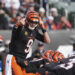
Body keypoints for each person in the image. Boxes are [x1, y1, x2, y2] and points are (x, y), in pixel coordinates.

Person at [5, 10, 50, 75]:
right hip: (14, 57)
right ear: (27, 20)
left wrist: (43, 28)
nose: (33, 24)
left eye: (35, 22)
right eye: (31, 21)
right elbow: (16, 28)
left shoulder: (34, 31)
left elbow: (47, 41)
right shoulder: (21, 28)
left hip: (23, 59)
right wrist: (19, 24)